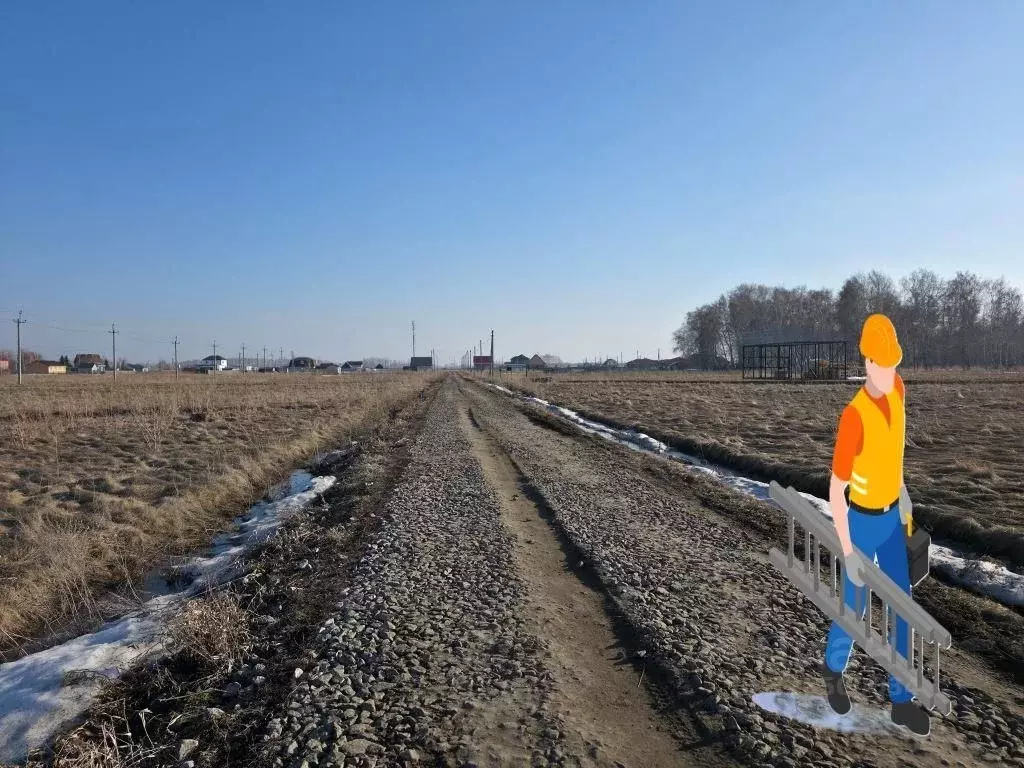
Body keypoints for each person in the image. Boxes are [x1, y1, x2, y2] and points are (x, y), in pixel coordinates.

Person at [823, 313, 929, 736]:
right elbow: (835, 490)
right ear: (867, 363)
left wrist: (902, 493)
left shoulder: (899, 390)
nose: (889, 374)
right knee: (855, 606)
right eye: (881, 365)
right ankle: (833, 668)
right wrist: (848, 552)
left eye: (893, 365)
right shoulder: (854, 416)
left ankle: (900, 700)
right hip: (861, 522)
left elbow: (892, 453)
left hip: (891, 518)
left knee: (902, 608)